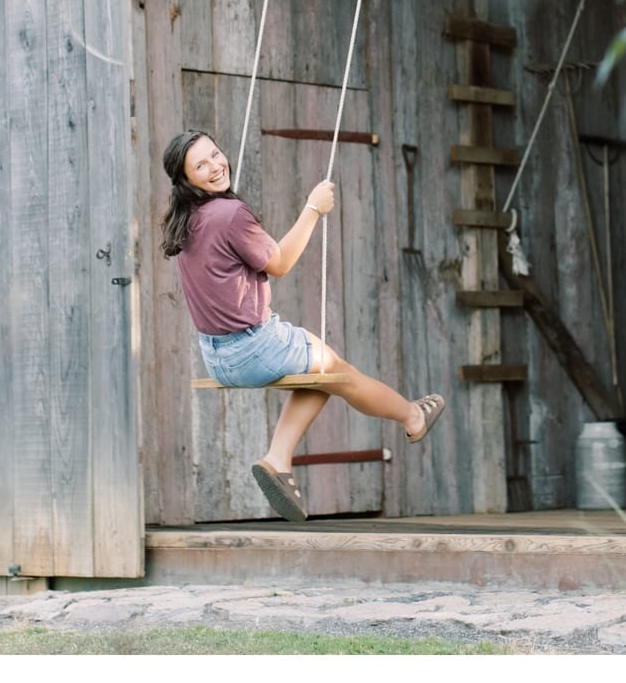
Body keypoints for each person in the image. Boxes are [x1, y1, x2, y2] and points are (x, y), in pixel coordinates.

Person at [161, 128, 445, 521]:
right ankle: (412, 416)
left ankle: (278, 458)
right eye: (201, 165)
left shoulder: (186, 219)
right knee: (338, 372)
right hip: (255, 347)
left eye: (215, 154)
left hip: (217, 358)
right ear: (186, 178)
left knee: (321, 376)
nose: (215, 166)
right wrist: (313, 209)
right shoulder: (228, 214)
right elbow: (279, 263)